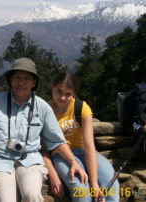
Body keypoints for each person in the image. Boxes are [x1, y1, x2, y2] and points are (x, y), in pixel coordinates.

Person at [0, 57, 88, 202]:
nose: (21, 83)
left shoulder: (42, 107)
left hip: (30, 161)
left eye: (26, 79)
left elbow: (57, 141)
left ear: (34, 82)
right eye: (17, 78)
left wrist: (73, 162)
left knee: (32, 196)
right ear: (10, 80)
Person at [43, 70, 119, 202]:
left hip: (84, 151)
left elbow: (89, 146)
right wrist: (53, 174)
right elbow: (42, 147)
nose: (62, 98)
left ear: (74, 94)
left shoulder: (81, 108)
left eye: (68, 94)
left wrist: (94, 183)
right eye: (59, 91)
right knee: (82, 192)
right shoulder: (46, 110)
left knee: (112, 186)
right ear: (52, 87)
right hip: (60, 155)